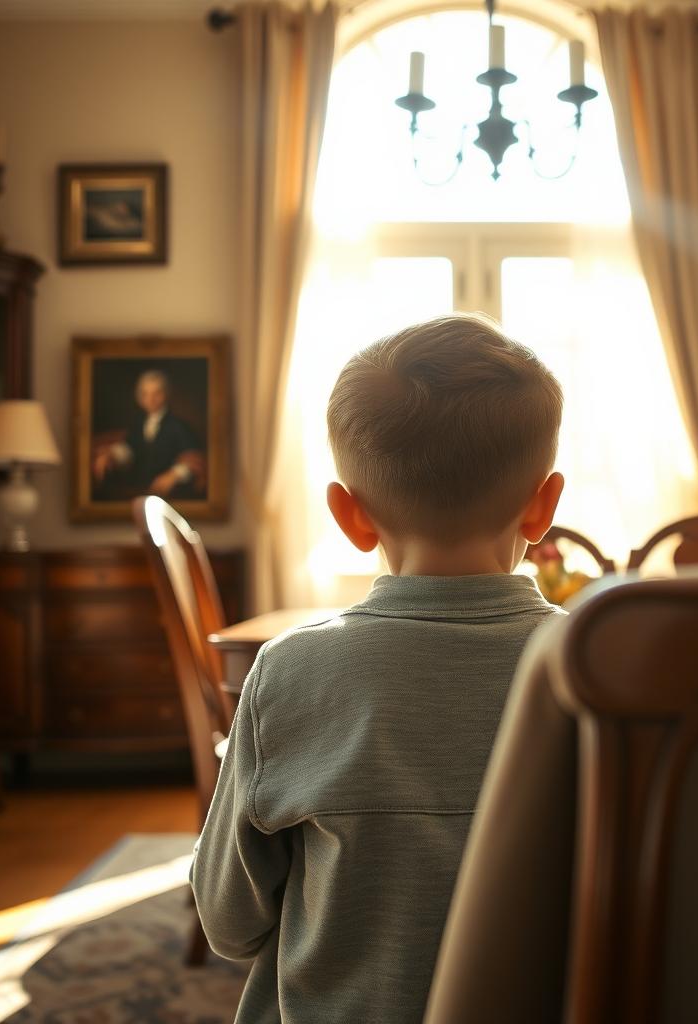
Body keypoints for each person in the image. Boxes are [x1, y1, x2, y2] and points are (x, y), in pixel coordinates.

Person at [190, 313, 566, 1023]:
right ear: (543, 508)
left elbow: (228, 922)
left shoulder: (288, 674)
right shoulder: (600, 674)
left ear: (349, 515)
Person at [91, 368, 204, 499]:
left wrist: (174, 474)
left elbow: (192, 460)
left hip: (171, 494)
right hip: (141, 488)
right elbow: (130, 448)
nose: (151, 399)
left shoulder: (178, 426)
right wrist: (112, 455)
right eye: (145, 394)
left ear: (166, 394)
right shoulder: (139, 423)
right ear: (139, 397)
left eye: (156, 393)